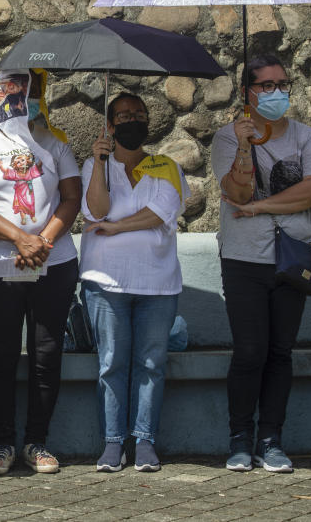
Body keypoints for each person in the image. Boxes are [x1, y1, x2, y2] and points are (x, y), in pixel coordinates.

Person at [214, 54, 311, 473]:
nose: (277, 92)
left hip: (293, 257)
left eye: (283, 84)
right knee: (249, 351)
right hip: (244, 259)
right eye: (266, 86)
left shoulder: (305, 137)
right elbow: (236, 194)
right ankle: (240, 438)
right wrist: (245, 144)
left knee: (281, 352)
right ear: (248, 92)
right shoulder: (228, 138)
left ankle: (271, 440)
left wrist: (263, 207)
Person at [0, 69, 81, 476]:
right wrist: (19, 238)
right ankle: (1, 443)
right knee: (0, 354)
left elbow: (71, 198)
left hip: (55, 262)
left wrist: (42, 242)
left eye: (33, 93)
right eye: (16, 90)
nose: (24, 100)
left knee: (46, 355)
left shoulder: (56, 142)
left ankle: (37, 441)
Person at [80, 93, 188, 473]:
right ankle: (112, 443)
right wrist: (98, 162)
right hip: (104, 282)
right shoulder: (94, 166)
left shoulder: (166, 166)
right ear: (110, 125)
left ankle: (145, 441)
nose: (132, 120)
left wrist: (116, 227)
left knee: (151, 364)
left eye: (138, 114)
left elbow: (159, 213)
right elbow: (95, 210)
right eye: (123, 115)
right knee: (110, 364)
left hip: (157, 284)